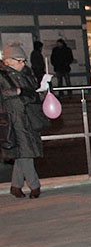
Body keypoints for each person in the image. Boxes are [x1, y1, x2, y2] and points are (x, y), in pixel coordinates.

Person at [1, 43, 53, 198]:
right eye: (19, 61)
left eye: (24, 61)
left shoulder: (26, 73)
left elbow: (33, 92)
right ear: (8, 61)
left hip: (29, 117)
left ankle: (15, 186)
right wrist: (16, 92)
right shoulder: (3, 76)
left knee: (23, 152)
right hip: (12, 119)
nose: (23, 64)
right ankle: (34, 185)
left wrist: (43, 90)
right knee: (26, 153)